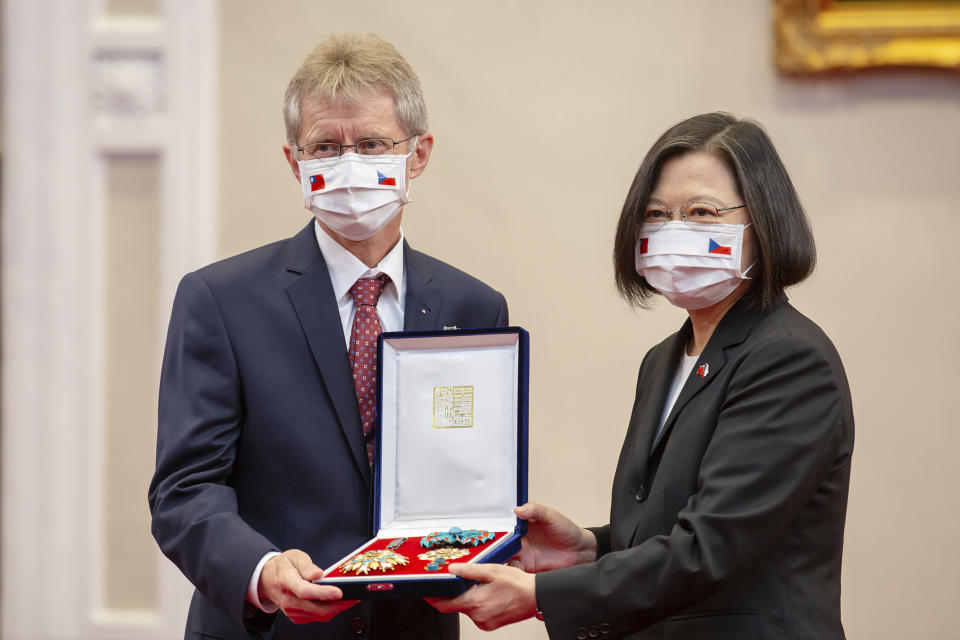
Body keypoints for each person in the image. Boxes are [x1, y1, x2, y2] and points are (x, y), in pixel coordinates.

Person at [430, 112, 853, 639]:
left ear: (763, 218)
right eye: (657, 213)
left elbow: (711, 546)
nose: (675, 230)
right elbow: (672, 524)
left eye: (701, 211)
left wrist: (541, 597)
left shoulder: (789, 359)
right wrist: (591, 547)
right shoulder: (664, 358)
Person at [148, 34, 508, 640]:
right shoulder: (221, 300)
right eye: (325, 146)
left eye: (370, 143)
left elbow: (473, 476)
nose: (348, 163)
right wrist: (261, 571)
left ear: (418, 154)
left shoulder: (473, 306)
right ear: (296, 162)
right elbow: (184, 491)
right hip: (271, 628)